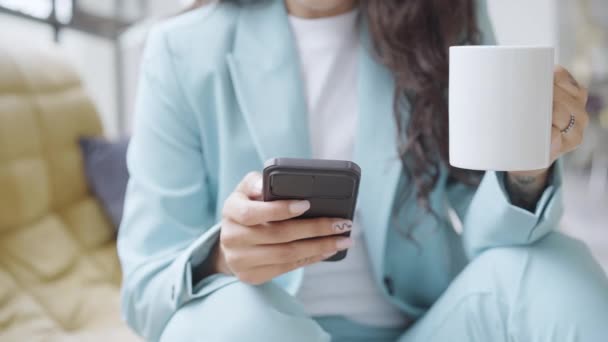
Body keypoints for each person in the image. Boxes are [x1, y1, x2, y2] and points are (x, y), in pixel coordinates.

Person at [117, 0, 608, 341]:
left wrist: (523, 168)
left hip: (427, 327)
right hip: (261, 327)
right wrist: (225, 256)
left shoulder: (446, 22)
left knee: (553, 267)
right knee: (231, 319)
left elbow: (488, 234)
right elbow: (145, 290)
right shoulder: (180, 51)